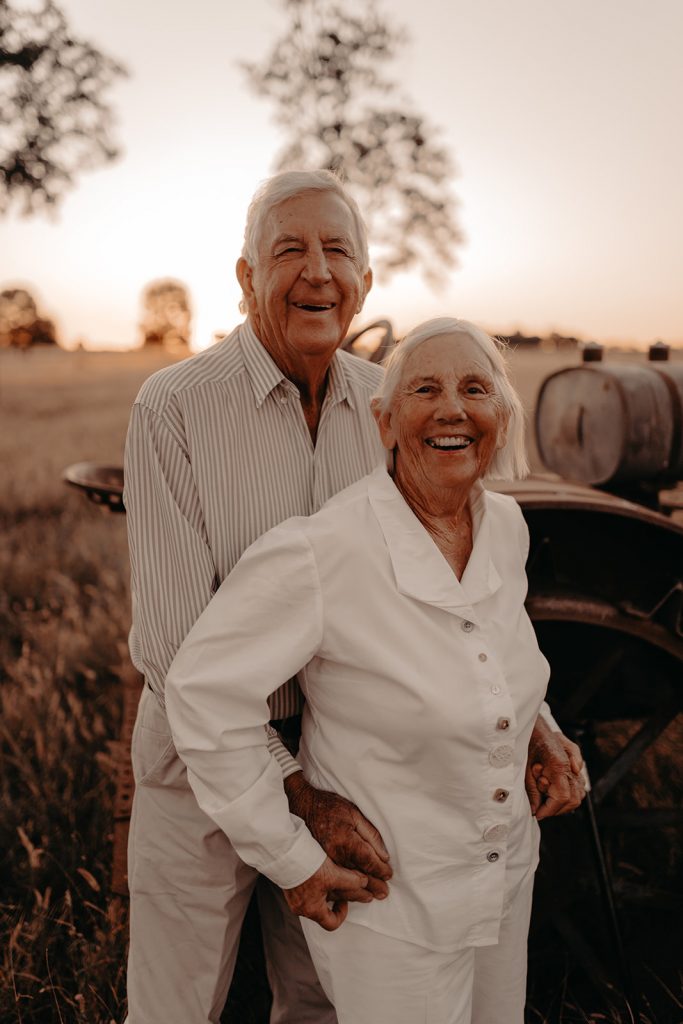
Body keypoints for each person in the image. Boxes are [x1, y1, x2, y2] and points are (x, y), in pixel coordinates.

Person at [125, 166, 584, 1023]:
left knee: (318, 999)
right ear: (245, 276)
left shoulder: (390, 403)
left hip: (351, 760)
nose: (317, 272)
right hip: (206, 754)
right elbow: (180, 654)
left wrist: (534, 722)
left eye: (339, 251)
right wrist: (295, 793)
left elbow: (456, 595)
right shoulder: (173, 408)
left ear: (366, 281)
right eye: (288, 250)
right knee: (176, 1001)